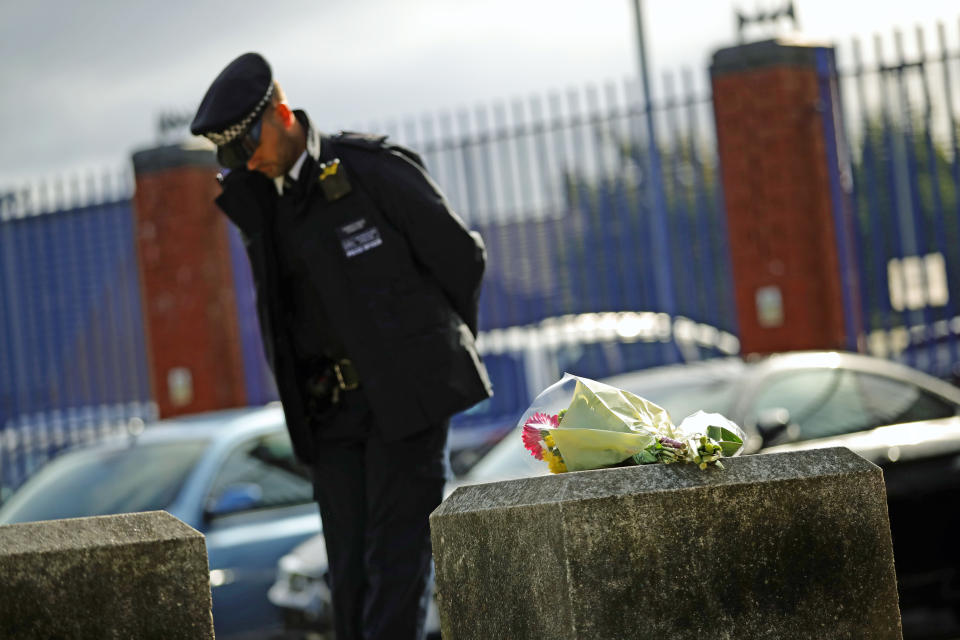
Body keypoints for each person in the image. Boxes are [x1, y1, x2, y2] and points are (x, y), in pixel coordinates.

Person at [190, 52, 492, 640]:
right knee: (348, 579)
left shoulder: (369, 170)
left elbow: (462, 258)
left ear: (280, 113)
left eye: (248, 141)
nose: (245, 160)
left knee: (396, 569)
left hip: (406, 403)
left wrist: (431, 355)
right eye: (231, 155)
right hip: (331, 417)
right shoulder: (264, 202)